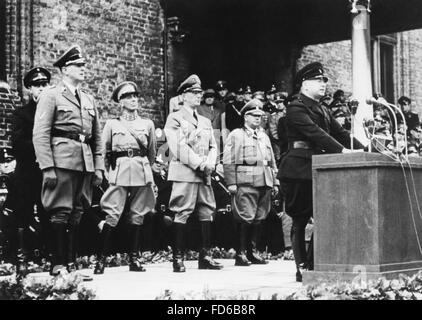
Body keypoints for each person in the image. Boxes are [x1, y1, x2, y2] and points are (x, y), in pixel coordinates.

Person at [278, 62, 364, 282]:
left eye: (324, 80)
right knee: (300, 219)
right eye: (319, 81)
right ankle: (302, 268)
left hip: (319, 168)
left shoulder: (323, 109)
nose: (324, 84)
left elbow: (341, 133)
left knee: (325, 218)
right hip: (299, 169)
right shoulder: (296, 107)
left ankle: (314, 262)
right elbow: (314, 133)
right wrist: (342, 151)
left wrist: (366, 149)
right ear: (305, 84)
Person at [33, 45, 104, 279]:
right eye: (78, 65)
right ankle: (58, 264)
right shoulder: (51, 95)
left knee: (77, 212)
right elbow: (40, 134)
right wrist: (47, 167)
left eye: (84, 65)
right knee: (59, 212)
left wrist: (99, 166)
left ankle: (71, 264)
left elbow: (97, 137)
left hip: (85, 163)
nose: (83, 69)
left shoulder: (88, 99)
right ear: (65, 69)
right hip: (61, 161)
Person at [94, 81, 156, 274]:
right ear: (120, 101)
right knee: (112, 213)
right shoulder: (112, 124)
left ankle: (134, 259)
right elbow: (104, 151)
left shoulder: (147, 124)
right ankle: (101, 260)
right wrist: (107, 172)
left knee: (138, 214)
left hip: (141, 169)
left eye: (135, 96)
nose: (133, 100)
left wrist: (147, 168)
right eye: (128, 97)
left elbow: (152, 152)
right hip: (119, 171)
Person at [164, 74, 223, 272]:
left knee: (207, 210)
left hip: (204, 173)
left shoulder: (206, 121)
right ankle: (177, 257)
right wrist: (201, 164)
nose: (199, 96)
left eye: (200, 92)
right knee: (182, 211)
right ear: (183, 95)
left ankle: (205, 256)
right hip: (185, 172)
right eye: (194, 92)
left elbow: (214, 145)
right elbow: (178, 146)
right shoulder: (174, 118)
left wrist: (211, 162)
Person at [223, 99, 279, 266]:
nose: (258, 118)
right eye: (254, 115)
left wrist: (275, 181)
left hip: (265, 179)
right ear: (245, 117)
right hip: (245, 180)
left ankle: (252, 251)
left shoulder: (264, 136)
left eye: (260, 116)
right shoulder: (236, 135)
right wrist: (231, 182)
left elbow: (272, 161)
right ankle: (240, 253)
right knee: (245, 216)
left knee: (259, 217)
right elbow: (228, 160)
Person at [10, 67, 51, 276]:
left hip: (47, 172)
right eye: (37, 85)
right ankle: (21, 259)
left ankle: (49, 256)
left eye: (45, 84)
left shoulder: (53, 114)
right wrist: (41, 146)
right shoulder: (21, 114)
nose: (42, 88)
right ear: (29, 89)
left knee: (48, 213)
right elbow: (17, 144)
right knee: (23, 214)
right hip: (27, 172)